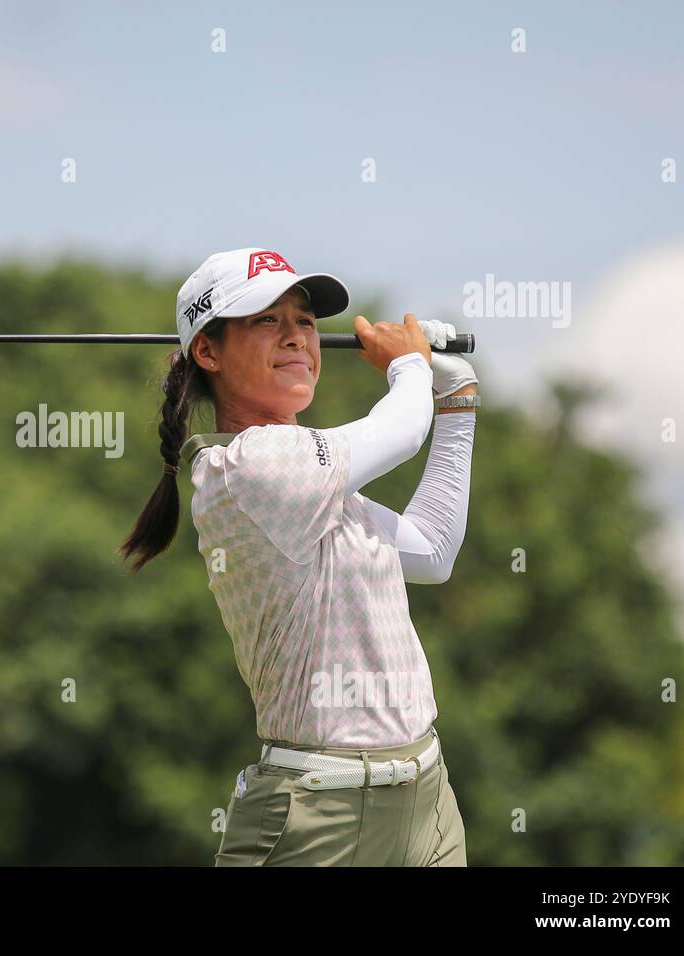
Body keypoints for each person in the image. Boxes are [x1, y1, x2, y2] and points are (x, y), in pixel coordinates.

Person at [118, 247, 478, 866]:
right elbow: (399, 429)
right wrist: (411, 369)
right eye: (266, 320)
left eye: (305, 321)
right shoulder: (247, 468)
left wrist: (458, 403)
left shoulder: (327, 490)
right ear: (208, 352)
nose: (296, 338)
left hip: (426, 800)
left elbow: (433, 550)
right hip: (319, 818)